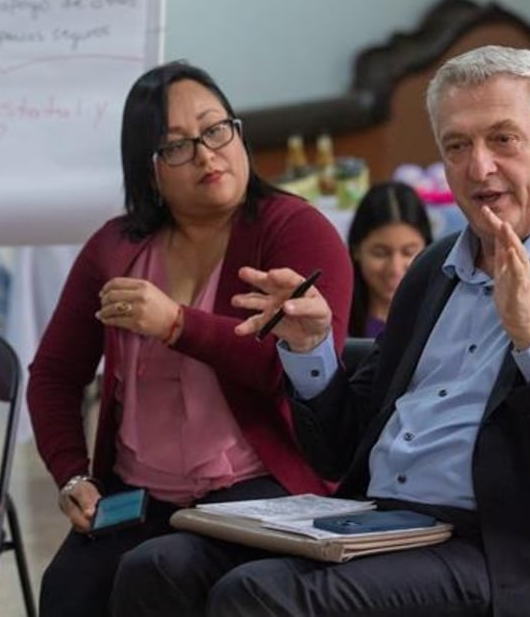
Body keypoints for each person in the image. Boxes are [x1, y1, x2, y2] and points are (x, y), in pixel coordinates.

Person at [109, 45, 530, 617]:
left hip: (508, 549)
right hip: (376, 521)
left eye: (503, 139)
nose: (479, 167)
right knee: (158, 566)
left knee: (261, 596)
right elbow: (343, 449)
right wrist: (311, 350)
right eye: (457, 146)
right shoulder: (431, 270)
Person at [26, 61, 353, 617]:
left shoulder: (294, 229)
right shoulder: (115, 248)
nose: (206, 155)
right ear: (148, 170)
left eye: (215, 129)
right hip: (137, 496)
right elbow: (54, 375)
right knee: (68, 587)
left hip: (259, 488)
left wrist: (177, 324)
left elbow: (283, 370)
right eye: (177, 146)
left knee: (158, 570)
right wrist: (73, 473)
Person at [347, 181, 433, 338]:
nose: (395, 268)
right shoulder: (336, 324)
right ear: (356, 250)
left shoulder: (445, 320)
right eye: (380, 253)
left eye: (408, 252)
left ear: (429, 249)